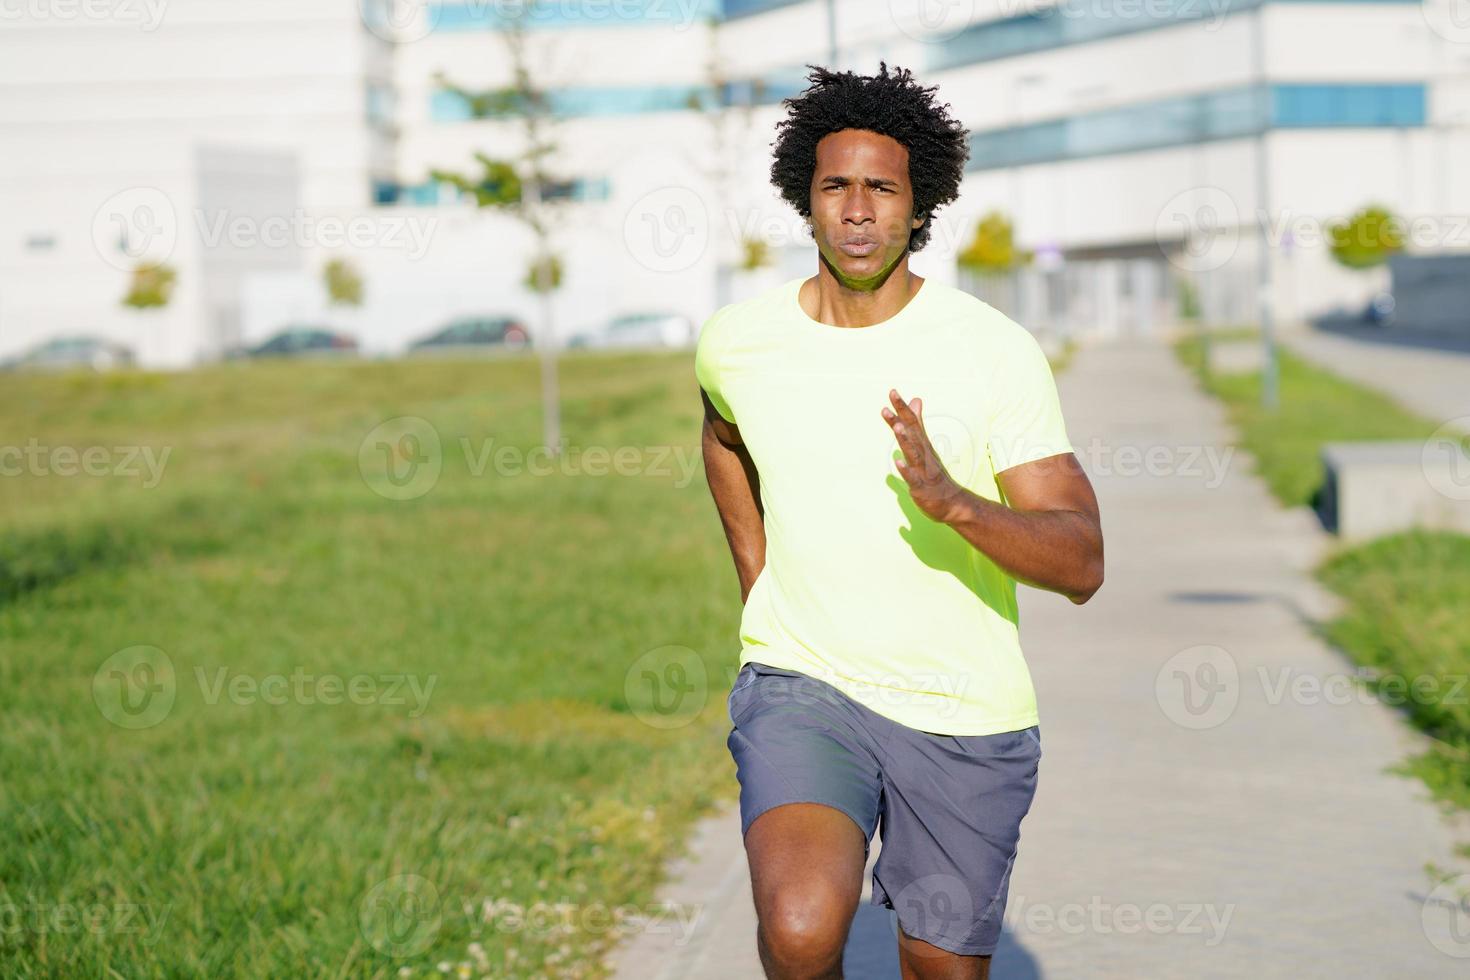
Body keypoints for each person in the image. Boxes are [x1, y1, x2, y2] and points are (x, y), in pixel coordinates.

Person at [695, 62, 1104, 980]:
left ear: (919, 207)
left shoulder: (991, 351)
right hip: (803, 682)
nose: (857, 209)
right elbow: (723, 438)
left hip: (963, 708)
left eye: (882, 187)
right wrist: (762, 586)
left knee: (938, 966)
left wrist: (957, 504)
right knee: (800, 928)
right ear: (805, 199)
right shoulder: (740, 343)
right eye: (835, 185)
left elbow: (1082, 560)